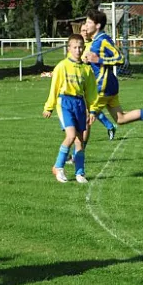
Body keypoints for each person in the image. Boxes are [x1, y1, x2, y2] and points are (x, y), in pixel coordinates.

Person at [83, 9, 143, 127]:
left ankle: (76, 146)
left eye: (88, 22)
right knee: (121, 119)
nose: (85, 25)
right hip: (109, 83)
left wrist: (99, 60)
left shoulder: (103, 40)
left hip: (102, 85)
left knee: (84, 116)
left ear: (97, 25)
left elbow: (120, 59)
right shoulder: (95, 41)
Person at [43, 33, 97, 184]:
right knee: (71, 136)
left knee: (80, 140)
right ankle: (58, 167)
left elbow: (91, 92)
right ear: (69, 48)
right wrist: (49, 107)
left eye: (80, 47)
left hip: (80, 104)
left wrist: (92, 110)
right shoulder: (61, 66)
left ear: (84, 48)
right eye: (75, 47)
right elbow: (54, 88)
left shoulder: (86, 70)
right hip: (65, 102)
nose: (78, 50)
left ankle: (80, 173)